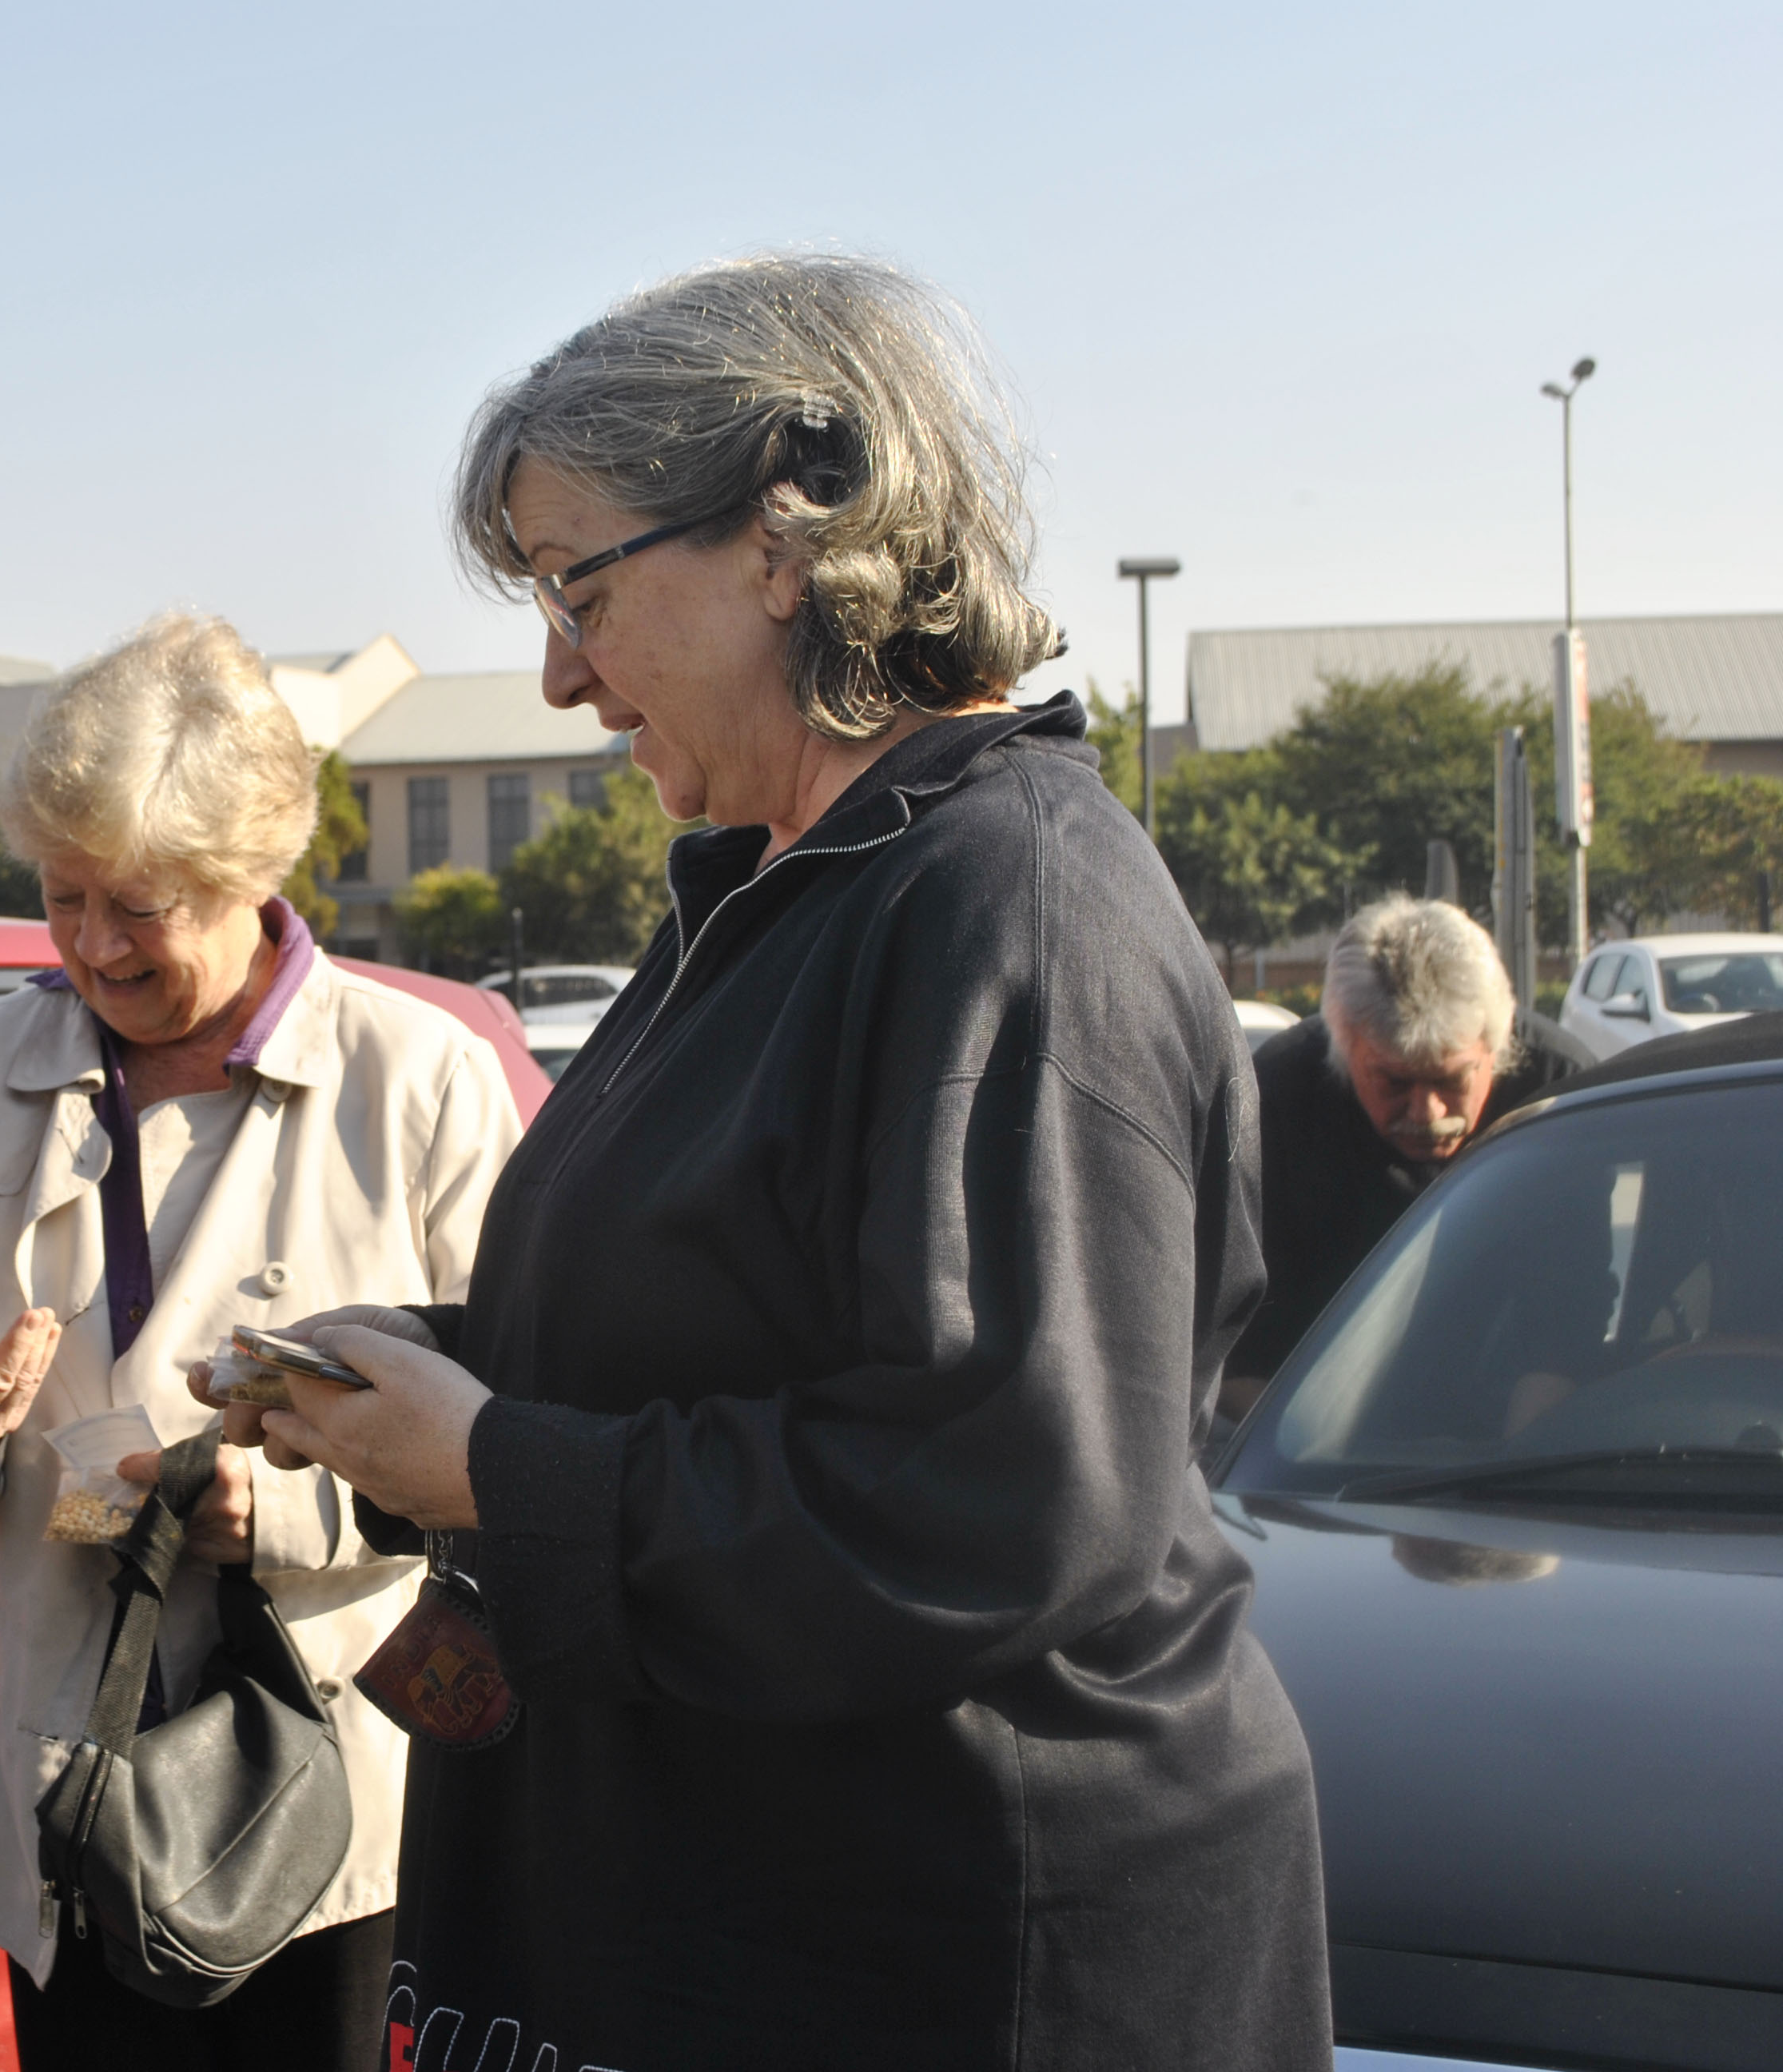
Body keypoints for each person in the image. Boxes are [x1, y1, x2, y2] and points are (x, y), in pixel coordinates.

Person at [217, 254, 1332, 2070]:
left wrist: (497, 1457)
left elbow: (1005, 1493)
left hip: (957, 1947)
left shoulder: (1010, 899)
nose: (563, 674)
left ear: (786, 534)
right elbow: (739, 1325)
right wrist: (418, 1376)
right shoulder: (771, 885)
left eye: (577, 587)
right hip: (741, 1900)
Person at [0, 613, 522, 2072]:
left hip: (317, 1802)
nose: (88, 946)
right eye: (60, 896)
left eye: (134, 904)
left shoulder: (423, 1084)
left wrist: (289, 1508)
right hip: (52, 1784)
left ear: (251, 872)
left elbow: (513, 1437)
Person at [1232, 895, 1582, 1396]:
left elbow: (1578, 1302)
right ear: (1343, 1050)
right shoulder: (1279, 1100)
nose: (1428, 1114)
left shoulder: (1562, 1091)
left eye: (1450, 1080)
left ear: (1497, 1047)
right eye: (1394, 1083)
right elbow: (1244, 1350)